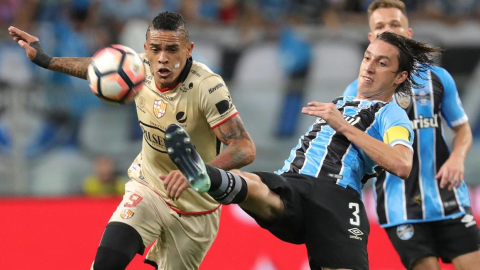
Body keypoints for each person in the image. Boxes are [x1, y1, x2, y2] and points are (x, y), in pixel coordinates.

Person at [165, 31, 443, 270]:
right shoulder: (342, 102)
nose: (369, 67)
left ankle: (211, 177)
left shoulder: (391, 114)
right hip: (294, 184)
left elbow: (402, 163)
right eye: (367, 57)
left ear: (400, 76)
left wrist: (343, 126)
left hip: (336, 198)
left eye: (382, 63)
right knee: (253, 184)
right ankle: (206, 176)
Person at [8, 11, 256, 270]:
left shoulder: (208, 87)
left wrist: (197, 172)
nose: (162, 58)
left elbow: (244, 147)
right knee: (106, 263)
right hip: (148, 188)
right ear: (145, 48)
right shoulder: (137, 68)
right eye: (156, 49)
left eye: (172, 49)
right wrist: (47, 60)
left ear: (189, 49)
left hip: (196, 211)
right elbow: (97, 68)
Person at [343, 1, 480, 269]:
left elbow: (461, 127)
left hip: (448, 196)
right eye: (380, 27)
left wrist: (457, 159)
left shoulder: (438, 78)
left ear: (408, 32)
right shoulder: (356, 92)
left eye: (394, 24)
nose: (388, 30)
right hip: (399, 207)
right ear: (372, 38)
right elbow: (353, 148)